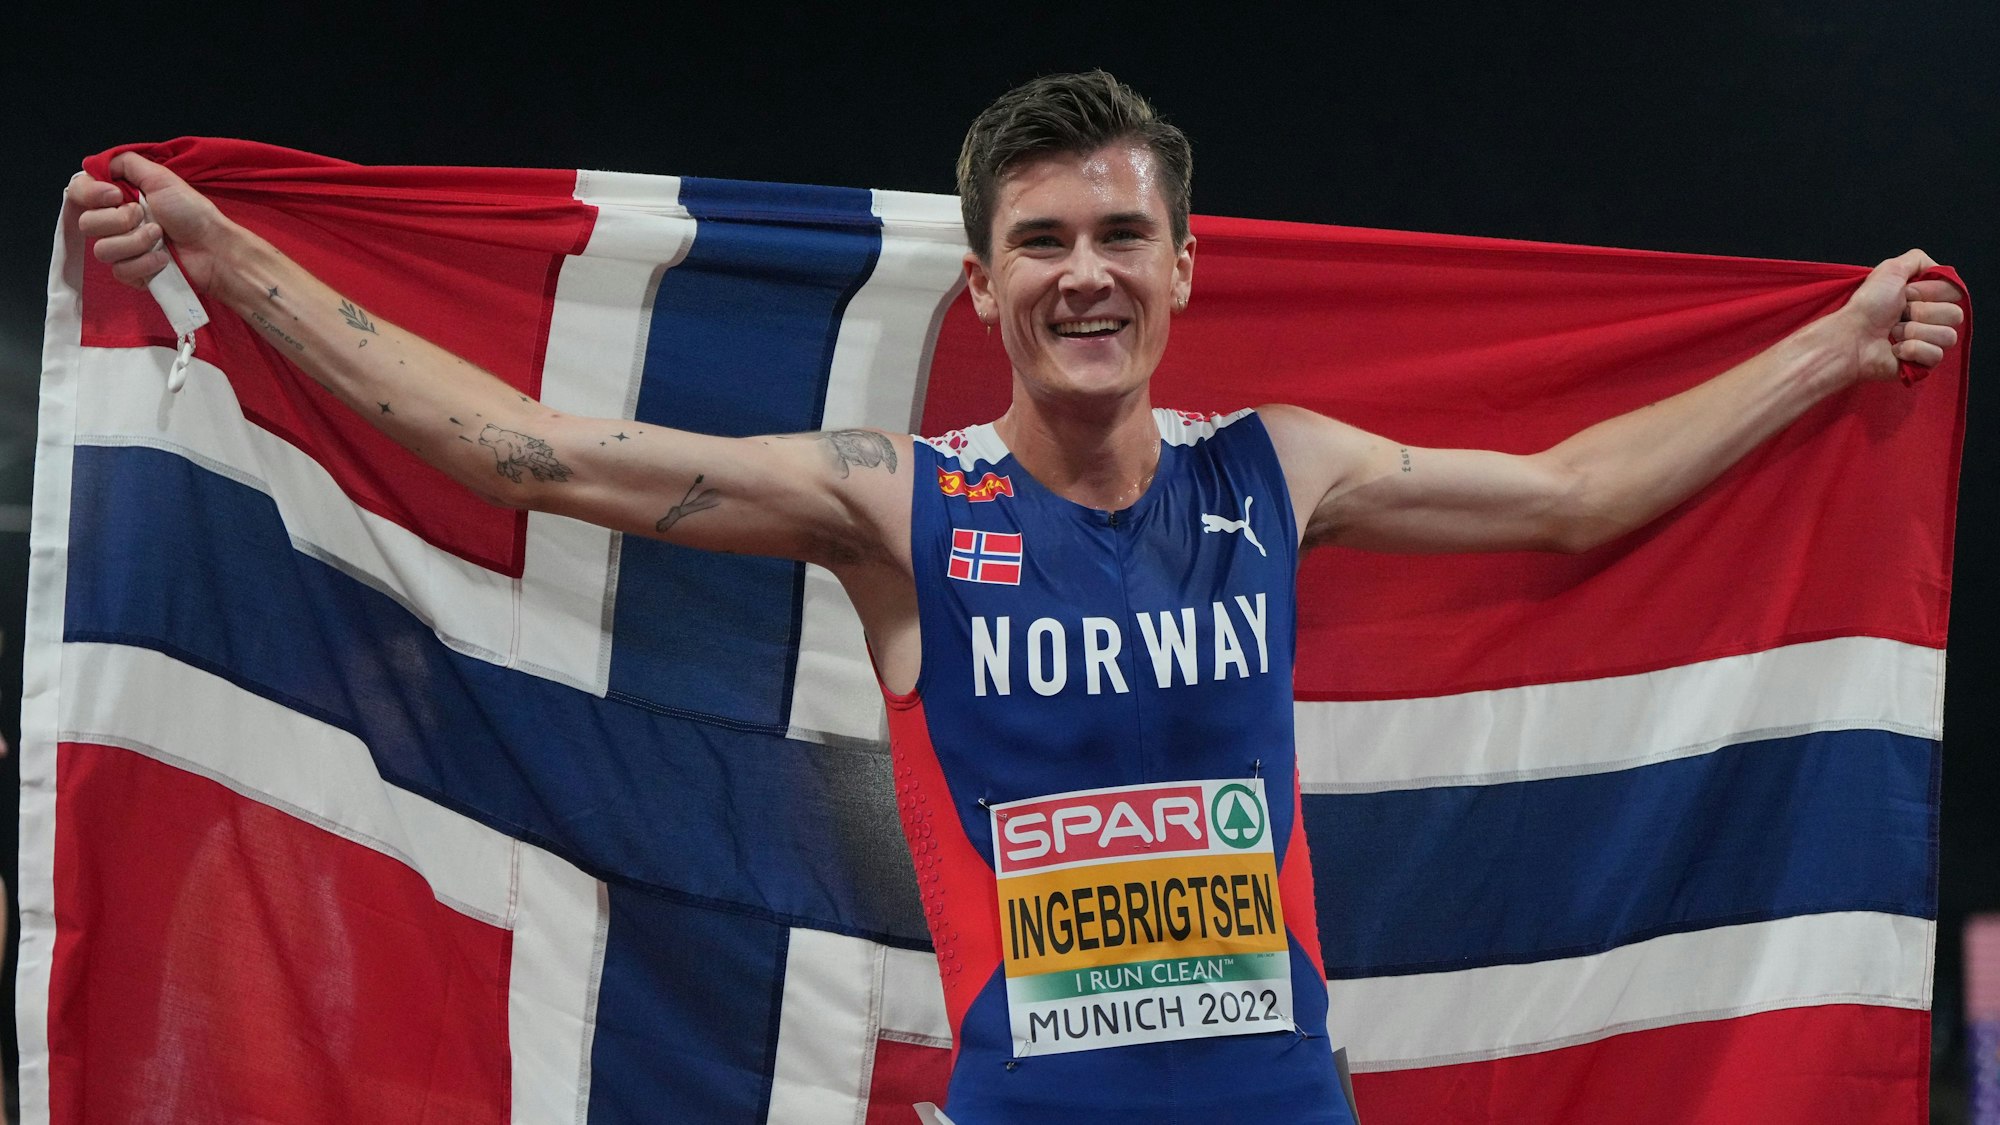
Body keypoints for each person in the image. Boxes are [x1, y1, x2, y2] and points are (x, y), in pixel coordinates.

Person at [69, 70, 1962, 1124]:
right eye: (1041, 242)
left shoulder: (1276, 471)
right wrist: (230, 259)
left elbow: (1568, 500)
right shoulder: (895, 506)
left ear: (1185, 266)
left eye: (1120, 233)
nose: (1085, 272)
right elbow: (532, 458)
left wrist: (1834, 348)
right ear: (979, 290)